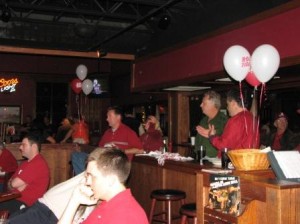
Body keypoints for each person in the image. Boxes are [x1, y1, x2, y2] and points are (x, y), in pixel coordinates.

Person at [58, 147, 148, 224]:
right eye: (87, 176)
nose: (87, 182)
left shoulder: (126, 216)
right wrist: (74, 200)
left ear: (111, 180)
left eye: (92, 176)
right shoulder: (107, 203)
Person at [8, 172, 95, 224]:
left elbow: (13, 184)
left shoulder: (101, 175)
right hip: (42, 206)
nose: (87, 179)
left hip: (50, 214)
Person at [0, 135, 50, 214]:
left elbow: (14, 183)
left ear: (33, 147)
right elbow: (11, 183)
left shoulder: (37, 163)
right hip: (13, 198)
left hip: (25, 204)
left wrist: (13, 184)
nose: (20, 147)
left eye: (23, 145)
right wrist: (13, 184)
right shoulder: (25, 163)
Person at [201, 88, 258, 156]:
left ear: (233, 103)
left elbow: (224, 146)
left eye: (228, 104)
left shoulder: (236, 120)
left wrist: (212, 137)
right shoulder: (252, 118)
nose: (227, 108)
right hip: (250, 161)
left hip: (236, 162)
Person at [195, 91, 228, 157]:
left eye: (204, 103)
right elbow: (198, 141)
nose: (200, 105)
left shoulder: (223, 119)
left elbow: (223, 135)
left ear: (213, 105)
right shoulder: (203, 120)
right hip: (200, 158)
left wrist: (212, 133)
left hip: (215, 161)